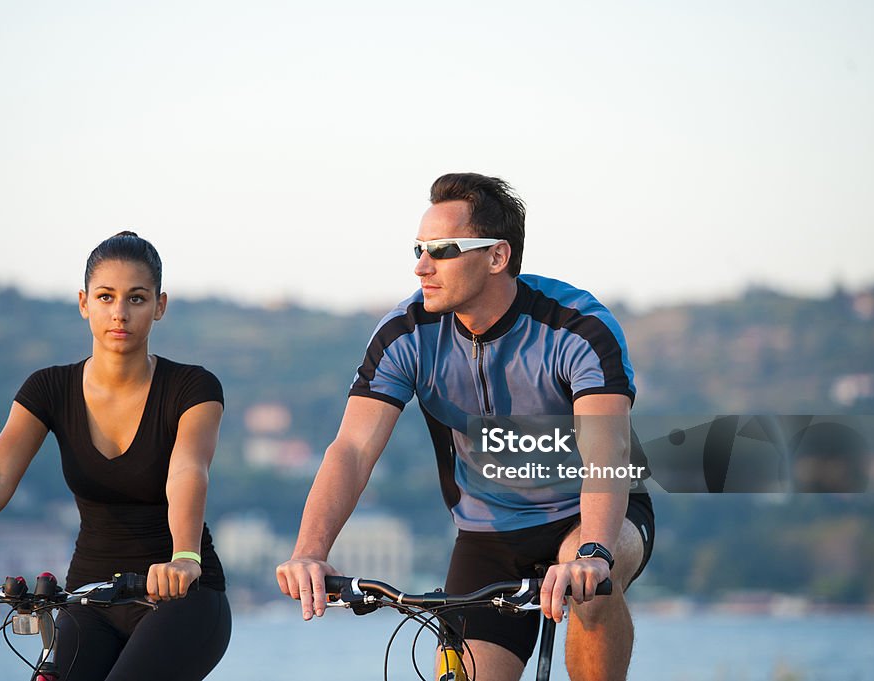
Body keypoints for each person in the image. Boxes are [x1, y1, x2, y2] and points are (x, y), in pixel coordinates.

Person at [276, 174, 655, 681]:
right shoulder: (406, 334)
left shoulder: (577, 327)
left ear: (497, 256)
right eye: (419, 248)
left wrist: (593, 554)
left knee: (588, 584)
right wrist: (309, 552)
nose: (421, 266)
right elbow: (352, 449)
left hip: (594, 515)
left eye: (443, 249)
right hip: (489, 534)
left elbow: (605, 454)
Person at [0, 232, 231, 681]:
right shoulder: (48, 388)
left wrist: (184, 559)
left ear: (160, 306)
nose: (119, 312)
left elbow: (188, 469)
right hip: (87, 600)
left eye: (137, 298)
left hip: (181, 599)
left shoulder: (193, 388)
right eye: (106, 297)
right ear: (84, 303)